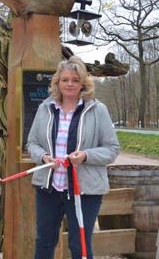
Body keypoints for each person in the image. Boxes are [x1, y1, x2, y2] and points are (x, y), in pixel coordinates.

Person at [26, 56, 120, 259]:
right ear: (57, 82)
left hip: (84, 191)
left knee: (80, 246)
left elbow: (112, 149)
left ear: (83, 84)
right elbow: (31, 143)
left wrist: (86, 156)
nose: (69, 84)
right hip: (49, 189)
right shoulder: (45, 109)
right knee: (44, 242)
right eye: (65, 79)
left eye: (75, 80)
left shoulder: (98, 110)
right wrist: (43, 157)